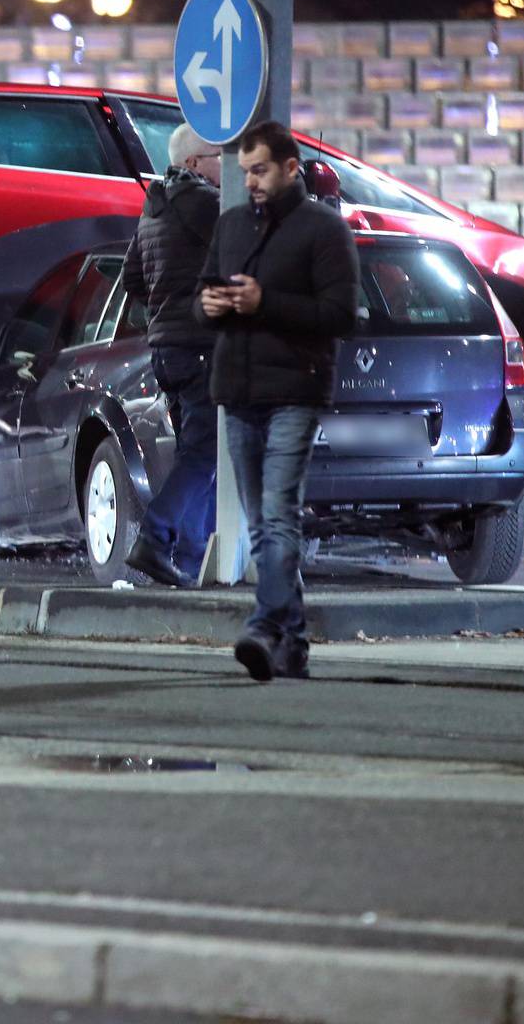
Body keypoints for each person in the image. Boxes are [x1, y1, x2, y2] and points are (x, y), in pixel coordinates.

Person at [197, 120, 359, 682]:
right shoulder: (233, 225)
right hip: (238, 391)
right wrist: (211, 306)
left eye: (260, 170)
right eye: (244, 172)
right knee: (260, 522)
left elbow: (340, 314)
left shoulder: (323, 229)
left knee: (277, 516)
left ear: (291, 168)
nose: (251, 182)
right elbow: (201, 294)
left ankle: (265, 625)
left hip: (294, 387)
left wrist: (265, 302)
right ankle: (292, 643)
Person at [121, 124, 223, 587]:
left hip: (168, 348)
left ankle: (189, 556)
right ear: (194, 163)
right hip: (201, 344)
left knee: (196, 455)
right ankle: (155, 539)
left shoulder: (153, 209)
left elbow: (133, 280)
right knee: (205, 453)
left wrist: (166, 306)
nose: (229, 166)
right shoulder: (205, 204)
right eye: (220, 156)